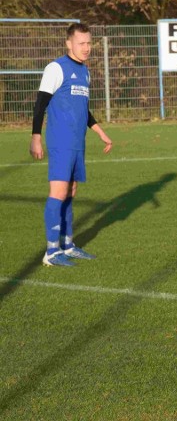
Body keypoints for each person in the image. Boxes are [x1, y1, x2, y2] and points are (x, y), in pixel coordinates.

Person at [30, 22, 113, 266]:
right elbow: (40, 103)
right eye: (81, 43)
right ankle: (52, 252)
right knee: (58, 192)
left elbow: (83, 109)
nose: (86, 47)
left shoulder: (85, 71)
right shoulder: (56, 68)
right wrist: (35, 136)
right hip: (61, 141)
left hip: (78, 142)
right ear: (69, 43)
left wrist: (100, 131)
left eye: (89, 43)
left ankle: (67, 245)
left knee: (71, 191)